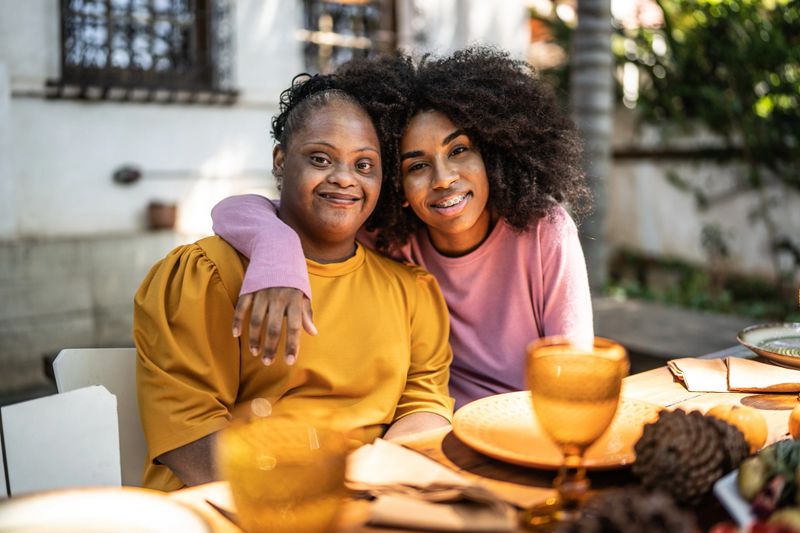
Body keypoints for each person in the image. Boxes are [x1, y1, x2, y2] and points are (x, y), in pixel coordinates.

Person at [212, 46, 594, 408]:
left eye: (459, 150)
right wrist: (277, 249)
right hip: (432, 429)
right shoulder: (390, 237)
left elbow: (573, 370)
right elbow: (237, 210)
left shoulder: (544, 229)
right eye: (417, 165)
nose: (443, 179)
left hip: (532, 423)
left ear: (492, 154)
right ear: (398, 186)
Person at [134, 73, 454, 491]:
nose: (344, 178)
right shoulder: (207, 273)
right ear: (281, 162)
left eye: (364, 165)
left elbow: (424, 403)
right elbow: (189, 434)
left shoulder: (411, 291)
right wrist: (306, 501)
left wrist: (374, 486)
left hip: (368, 498)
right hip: (233, 501)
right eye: (321, 159)